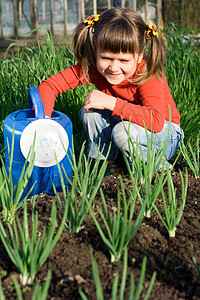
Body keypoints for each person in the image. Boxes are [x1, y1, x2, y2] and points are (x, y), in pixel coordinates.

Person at [38, 8, 183, 170]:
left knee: (123, 131)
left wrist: (112, 103)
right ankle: (107, 165)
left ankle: (155, 169)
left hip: (164, 134)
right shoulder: (93, 68)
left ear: (140, 54)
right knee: (90, 113)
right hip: (128, 128)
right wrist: (43, 121)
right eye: (106, 58)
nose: (114, 67)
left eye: (124, 60)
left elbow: (156, 121)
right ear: (96, 50)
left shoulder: (147, 71)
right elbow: (49, 86)